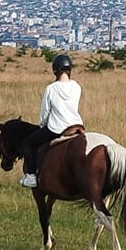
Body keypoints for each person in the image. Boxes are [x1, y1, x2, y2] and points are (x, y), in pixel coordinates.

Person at [19, 54, 83, 188]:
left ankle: (31, 176)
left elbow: (45, 113)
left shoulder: (51, 89)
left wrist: (43, 125)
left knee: (27, 144)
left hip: (56, 128)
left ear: (55, 70)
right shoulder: (77, 87)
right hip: (77, 125)